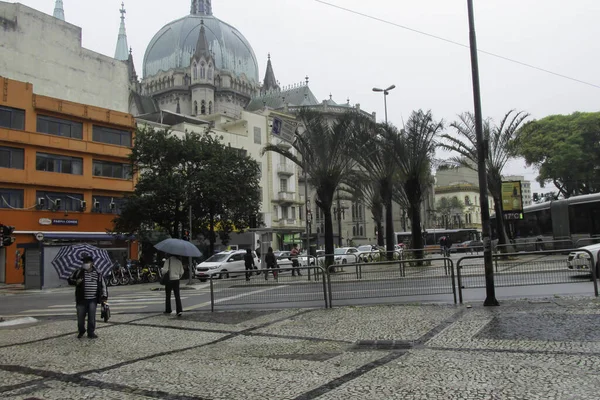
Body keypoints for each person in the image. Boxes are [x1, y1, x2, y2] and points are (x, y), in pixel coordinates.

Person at [67, 253, 108, 339]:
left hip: (92, 299)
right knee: (80, 318)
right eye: (84, 262)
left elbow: (103, 285)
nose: (85, 263)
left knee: (91, 317)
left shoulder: (98, 272)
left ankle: (91, 332)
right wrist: (76, 282)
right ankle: (81, 330)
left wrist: (104, 297)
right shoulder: (78, 271)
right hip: (81, 299)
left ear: (92, 263)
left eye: (87, 262)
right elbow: (70, 279)